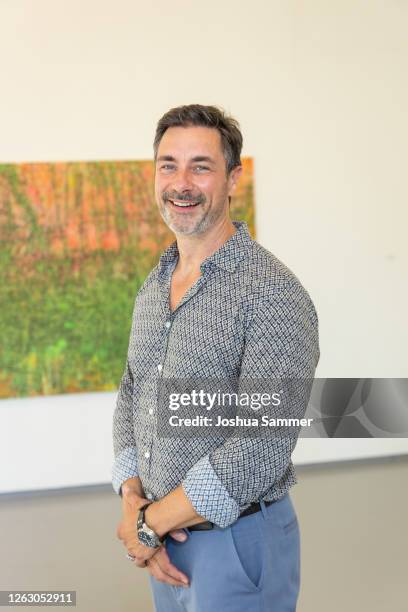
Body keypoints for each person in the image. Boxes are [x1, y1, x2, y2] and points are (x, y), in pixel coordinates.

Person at [112, 104, 320, 611]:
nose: (181, 182)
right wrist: (131, 499)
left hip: (236, 542)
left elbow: (262, 443)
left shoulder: (271, 293)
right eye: (168, 165)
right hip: (165, 544)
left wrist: (150, 524)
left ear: (232, 178)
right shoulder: (155, 285)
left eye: (200, 167)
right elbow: (132, 394)